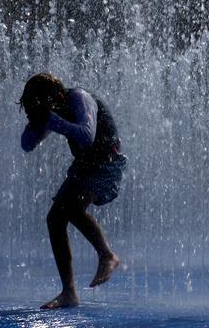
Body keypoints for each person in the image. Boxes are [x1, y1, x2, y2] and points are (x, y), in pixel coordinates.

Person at [19, 72, 127, 309]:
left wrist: (51, 121)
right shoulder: (53, 112)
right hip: (84, 166)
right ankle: (69, 293)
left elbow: (87, 136)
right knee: (55, 219)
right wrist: (37, 123)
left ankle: (107, 255)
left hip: (107, 163)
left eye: (37, 105)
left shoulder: (79, 98)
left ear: (55, 95)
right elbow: (26, 145)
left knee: (71, 209)